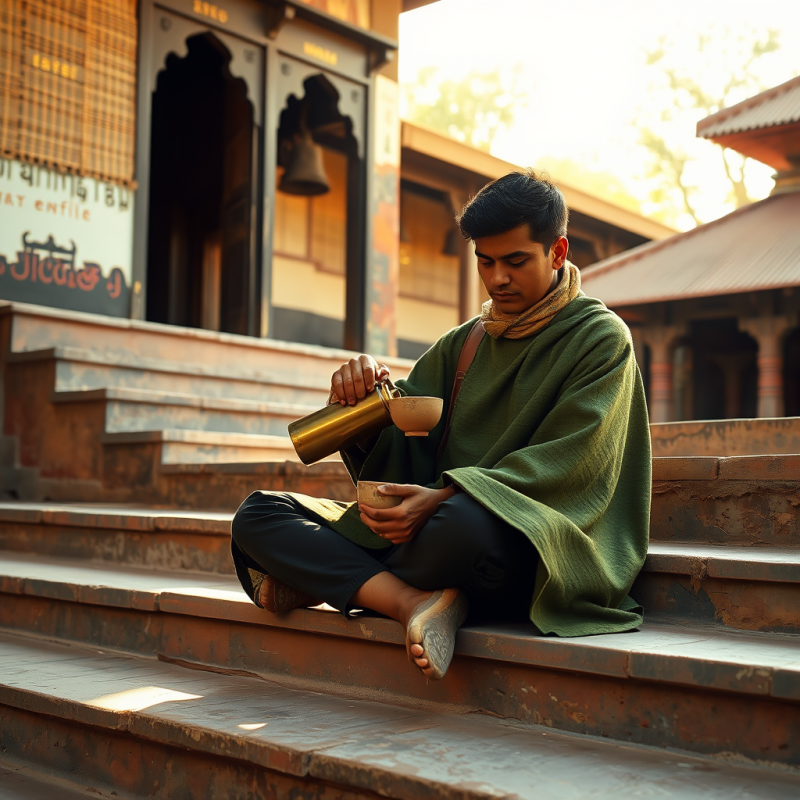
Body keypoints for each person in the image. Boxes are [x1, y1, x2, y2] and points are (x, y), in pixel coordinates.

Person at [230, 169, 651, 681]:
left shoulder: (600, 338)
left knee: (462, 530)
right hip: (430, 535)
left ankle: (326, 580)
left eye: (516, 261)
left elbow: (574, 461)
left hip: (526, 540)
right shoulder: (468, 341)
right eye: (486, 262)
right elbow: (408, 432)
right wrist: (364, 402)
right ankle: (412, 602)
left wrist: (442, 497)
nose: (498, 279)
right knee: (259, 514)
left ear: (558, 252)